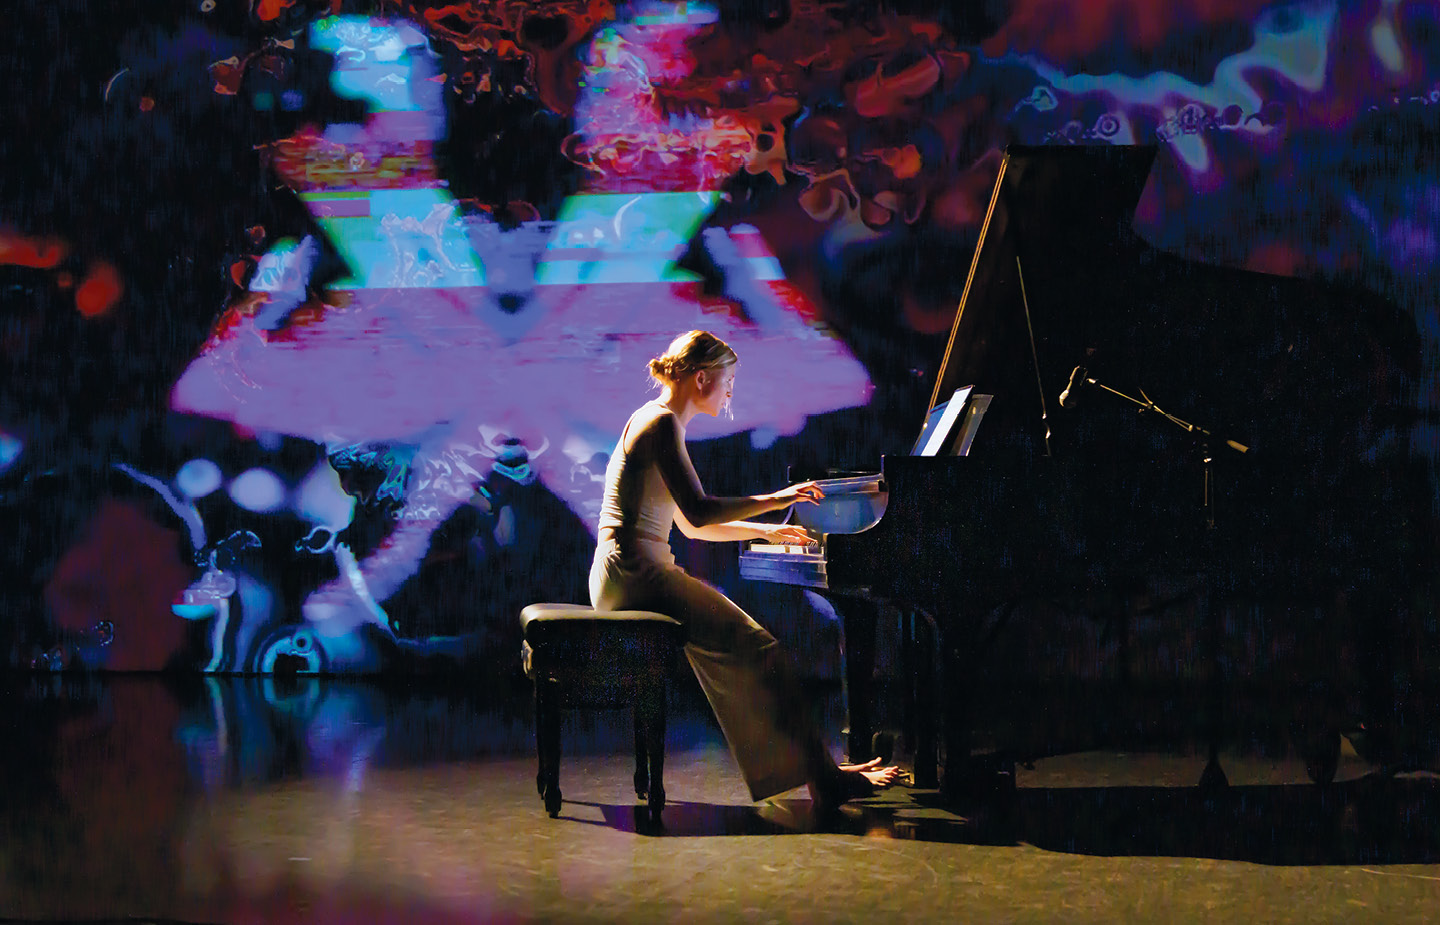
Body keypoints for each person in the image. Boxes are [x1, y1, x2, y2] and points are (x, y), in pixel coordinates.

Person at [589, 330, 902, 814]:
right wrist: (782, 498)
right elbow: (697, 511)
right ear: (702, 378)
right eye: (728, 380)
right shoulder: (661, 424)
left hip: (623, 571)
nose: (731, 391)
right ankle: (824, 778)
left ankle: (818, 769)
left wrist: (769, 533)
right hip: (634, 572)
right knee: (760, 648)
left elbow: (691, 529)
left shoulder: (656, 420)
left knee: (747, 650)